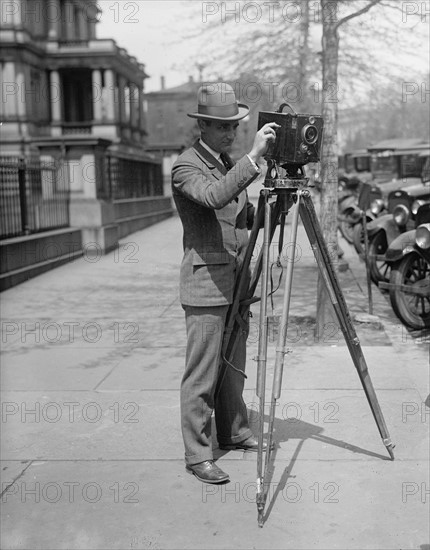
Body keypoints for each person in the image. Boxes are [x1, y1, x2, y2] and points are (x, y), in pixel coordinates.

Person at [171, 82, 279, 484]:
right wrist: (252, 160)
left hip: (236, 281)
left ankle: (233, 431)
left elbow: (243, 221)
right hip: (205, 283)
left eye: (233, 126)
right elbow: (215, 197)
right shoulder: (187, 166)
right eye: (220, 127)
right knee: (202, 372)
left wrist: (275, 202)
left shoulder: (225, 161)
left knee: (232, 366)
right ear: (202, 125)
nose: (230, 133)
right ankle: (198, 454)